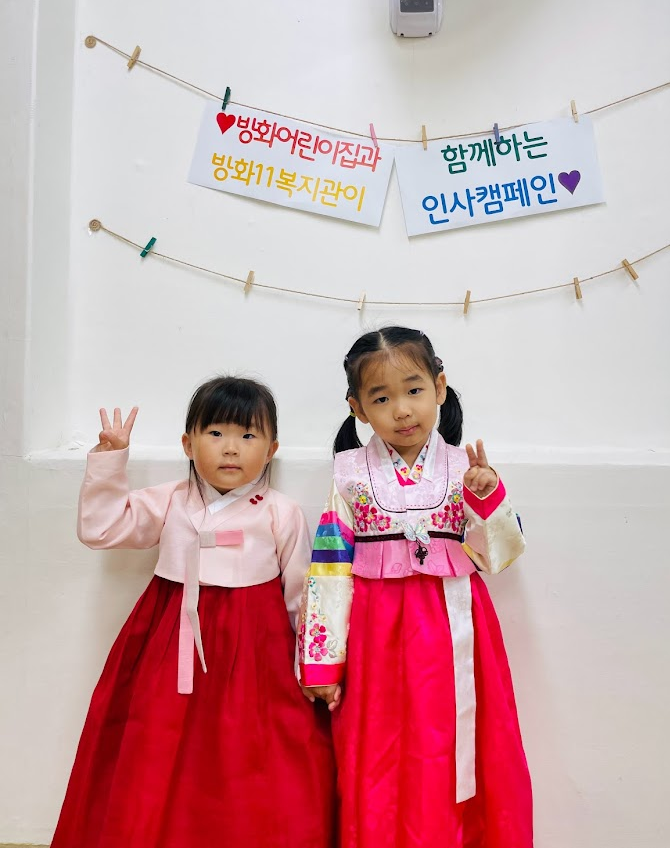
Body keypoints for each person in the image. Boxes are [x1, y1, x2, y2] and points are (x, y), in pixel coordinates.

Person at [52, 376, 334, 848]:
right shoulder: (172, 500)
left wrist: (311, 664)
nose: (231, 448)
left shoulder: (280, 512)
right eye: (216, 433)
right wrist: (110, 460)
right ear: (188, 443)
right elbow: (101, 529)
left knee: (250, 751)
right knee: (156, 739)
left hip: (256, 650)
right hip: (170, 637)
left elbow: (301, 593)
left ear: (271, 450)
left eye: (248, 435)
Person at [299, 327, 532, 848]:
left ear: (439, 387)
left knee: (454, 742)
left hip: (454, 630)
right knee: (379, 748)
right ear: (358, 409)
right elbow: (329, 567)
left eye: (414, 390)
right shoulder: (350, 475)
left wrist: (487, 496)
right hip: (375, 634)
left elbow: (501, 554)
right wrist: (322, 663)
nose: (402, 410)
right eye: (381, 398)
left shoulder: (465, 469)